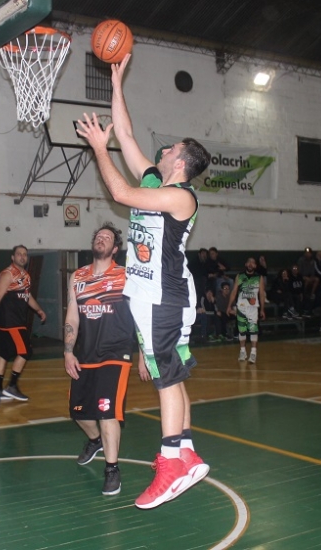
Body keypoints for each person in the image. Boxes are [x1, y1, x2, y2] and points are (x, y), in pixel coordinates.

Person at [76, 52, 212, 510]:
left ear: (182, 163)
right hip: (155, 296)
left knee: (165, 379)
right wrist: (117, 84)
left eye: (171, 148)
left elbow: (118, 192)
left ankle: (171, 463)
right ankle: (186, 453)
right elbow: (129, 136)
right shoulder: (159, 182)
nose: (164, 149)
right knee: (170, 375)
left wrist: (98, 148)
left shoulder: (180, 198)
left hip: (160, 296)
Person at [64, 223, 135, 496]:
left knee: (107, 412)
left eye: (107, 237)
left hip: (116, 353)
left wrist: (143, 353)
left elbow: (140, 313)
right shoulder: (77, 276)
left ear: (115, 248)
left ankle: (112, 469)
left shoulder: (125, 275)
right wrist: (68, 351)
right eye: (98, 236)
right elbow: (72, 315)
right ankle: (95, 441)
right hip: (86, 354)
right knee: (78, 412)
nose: (101, 239)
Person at [0, 245, 47, 402]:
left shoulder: (25, 275)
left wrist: (39, 310)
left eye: (25, 254)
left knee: (5, 354)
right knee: (26, 352)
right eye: (19, 254)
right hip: (11, 321)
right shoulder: (8, 274)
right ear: (13, 257)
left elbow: (28, 297)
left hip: (18, 320)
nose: (22, 256)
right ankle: (11, 386)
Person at [227, 256, 266, 363]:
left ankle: (253, 353)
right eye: (248, 262)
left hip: (253, 308)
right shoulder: (239, 276)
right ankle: (242, 351)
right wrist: (229, 305)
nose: (250, 264)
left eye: (253, 263)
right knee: (242, 330)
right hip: (241, 307)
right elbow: (234, 291)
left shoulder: (259, 277)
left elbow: (261, 294)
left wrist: (262, 309)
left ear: (255, 266)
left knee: (253, 330)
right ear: (245, 264)